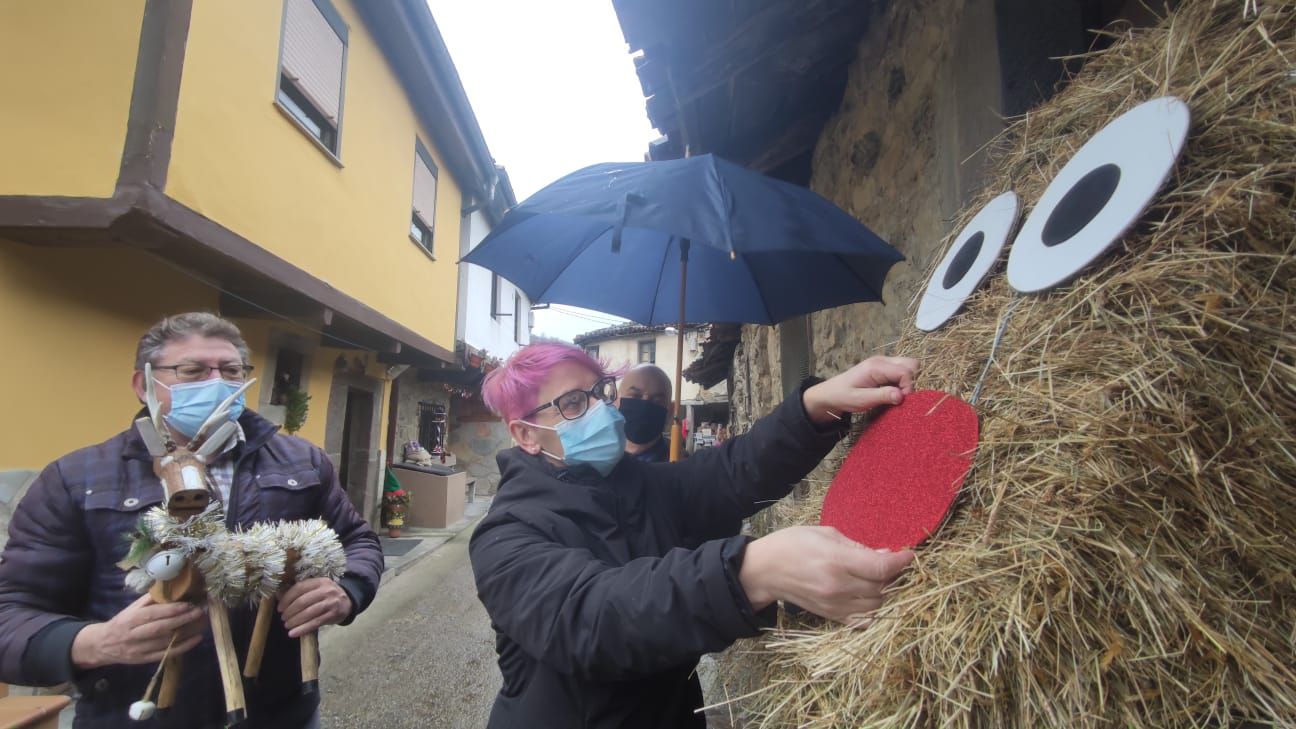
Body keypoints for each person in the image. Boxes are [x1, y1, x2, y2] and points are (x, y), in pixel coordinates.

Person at [471, 342, 918, 729]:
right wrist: (749, 574)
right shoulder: (506, 535)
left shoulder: (644, 486)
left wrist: (814, 409)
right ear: (526, 434)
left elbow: (731, 472)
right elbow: (594, 616)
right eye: (572, 403)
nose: (601, 409)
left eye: (601, 393)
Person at [0, 312, 383, 729]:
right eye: (193, 371)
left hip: (279, 712)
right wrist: (94, 643)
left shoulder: (302, 461)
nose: (217, 382)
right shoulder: (77, 478)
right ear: (144, 384)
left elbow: (358, 541)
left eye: (231, 370)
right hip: (133, 717)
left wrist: (347, 590)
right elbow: (12, 611)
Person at [617, 363, 672, 463]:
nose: (645, 405)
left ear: (670, 410)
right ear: (615, 401)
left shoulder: (678, 463)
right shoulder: (597, 460)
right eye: (635, 396)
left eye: (657, 401)